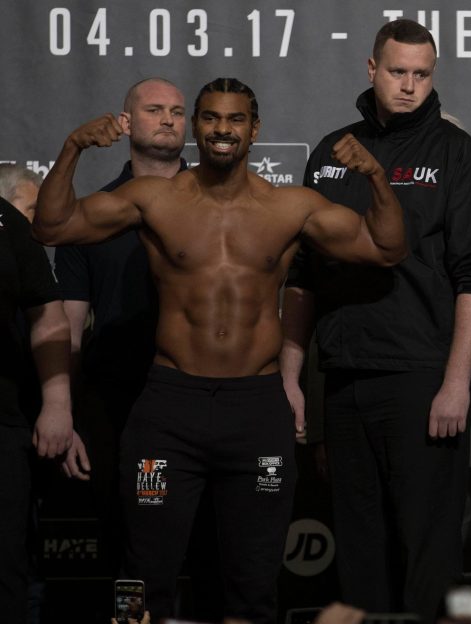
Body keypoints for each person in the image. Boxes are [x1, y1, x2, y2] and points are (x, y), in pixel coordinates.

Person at [33, 77, 407, 624]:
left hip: (255, 410)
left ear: (254, 130)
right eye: (209, 118)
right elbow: (52, 225)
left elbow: (386, 247)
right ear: (195, 127)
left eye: (234, 120)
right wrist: (71, 148)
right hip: (169, 408)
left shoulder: (291, 206)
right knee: (140, 572)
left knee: (252, 579)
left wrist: (375, 175)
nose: (221, 130)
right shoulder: (155, 199)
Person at [279, 19, 471, 622]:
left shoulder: (461, 156)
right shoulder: (330, 153)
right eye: (398, 72)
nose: (409, 86)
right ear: (371, 69)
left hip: (422, 380)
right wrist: (292, 377)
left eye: (421, 74)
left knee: (431, 555)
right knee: (357, 554)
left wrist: (456, 383)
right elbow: (302, 279)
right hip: (346, 379)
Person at [53, 78, 190, 585]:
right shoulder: (89, 215)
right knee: (127, 548)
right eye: (155, 109)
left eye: (177, 110)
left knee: (206, 547)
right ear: (127, 123)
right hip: (117, 405)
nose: (169, 119)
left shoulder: (226, 207)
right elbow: (67, 327)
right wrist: (64, 413)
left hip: (204, 399)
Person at [0, 198, 72, 624]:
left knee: (7, 566)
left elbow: (48, 314)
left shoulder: (6, 219)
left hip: (4, 419)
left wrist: (58, 402)